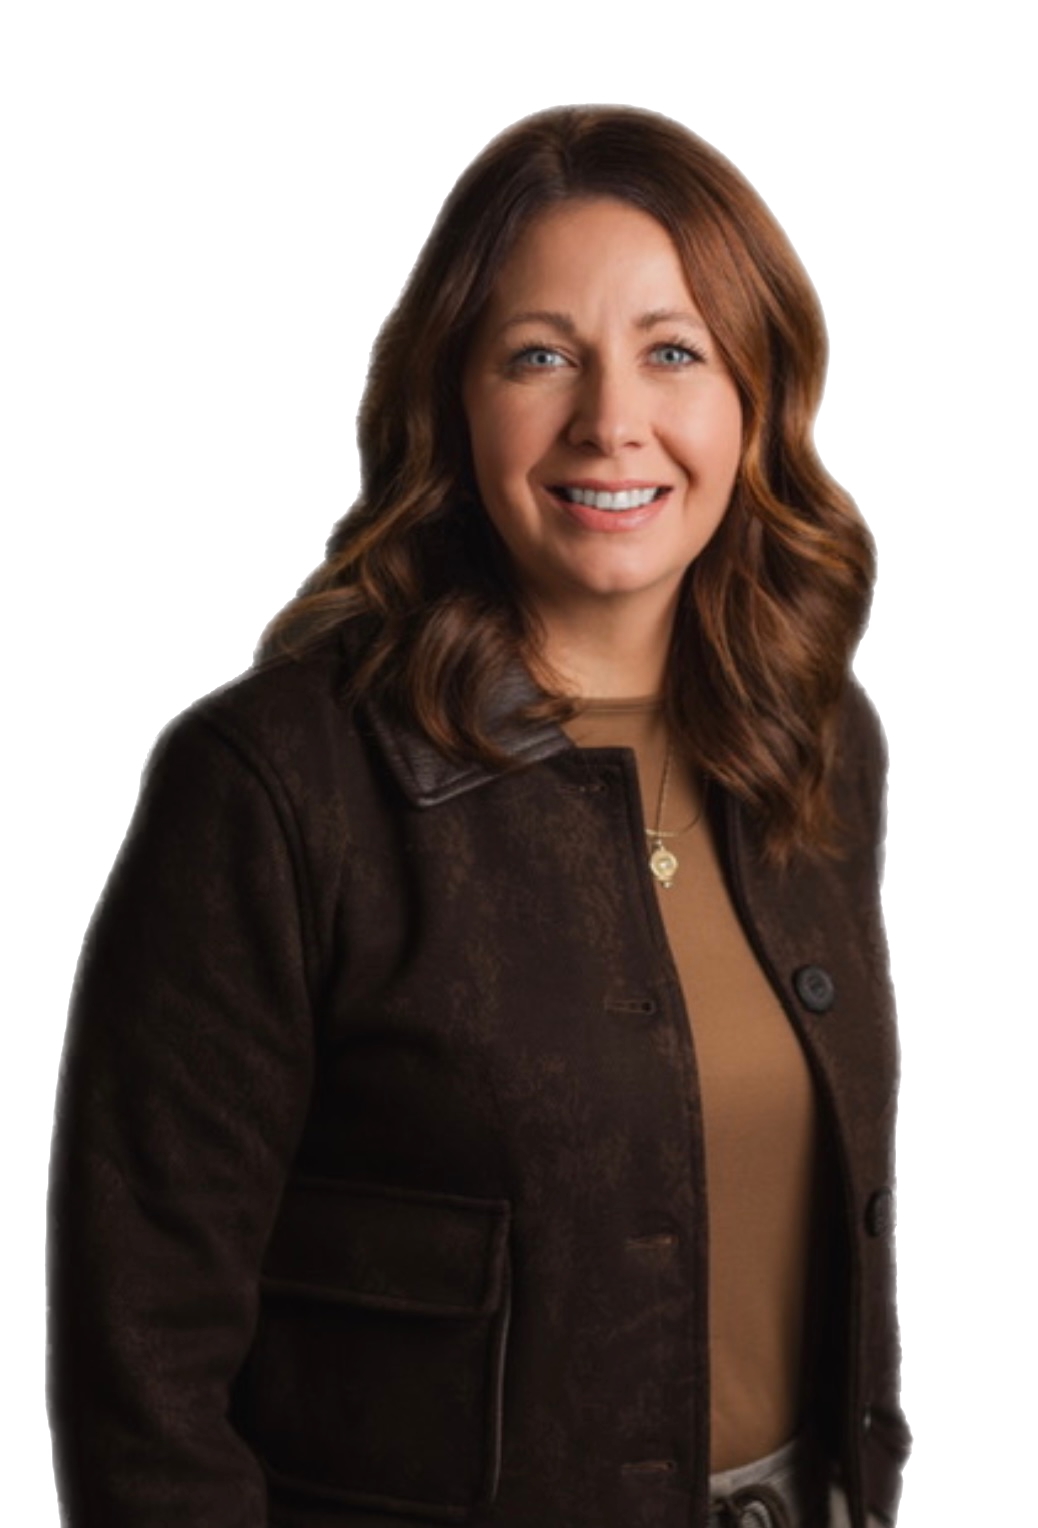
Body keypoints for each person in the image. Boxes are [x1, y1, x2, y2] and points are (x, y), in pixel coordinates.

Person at [47, 105, 910, 1528]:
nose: (610, 421)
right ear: (451, 399)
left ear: (755, 397)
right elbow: (146, 1373)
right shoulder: (276, 789)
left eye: (674, 351)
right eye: (540, 356)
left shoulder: (808, 740)